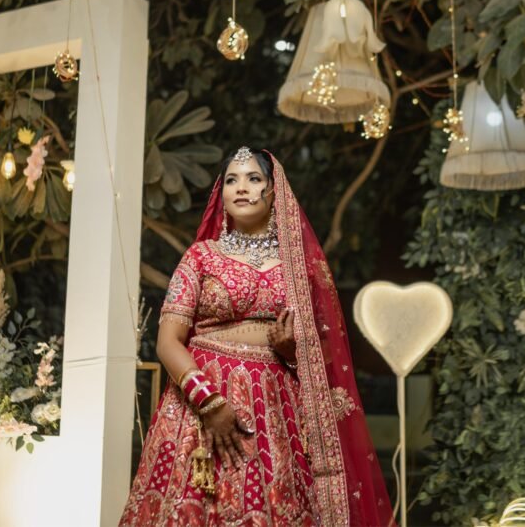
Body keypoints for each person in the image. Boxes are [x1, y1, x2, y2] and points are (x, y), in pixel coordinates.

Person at [120, 147, 394, 526]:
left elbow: (325, 353)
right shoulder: (200, 257)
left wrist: (291, 351)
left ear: (273, 190)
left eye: (254, 179)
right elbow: (168, 342)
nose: (241, 188)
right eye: (231, 180)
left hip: (276, 411)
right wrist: (208, 402)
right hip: (201, 405)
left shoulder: (299, 268)